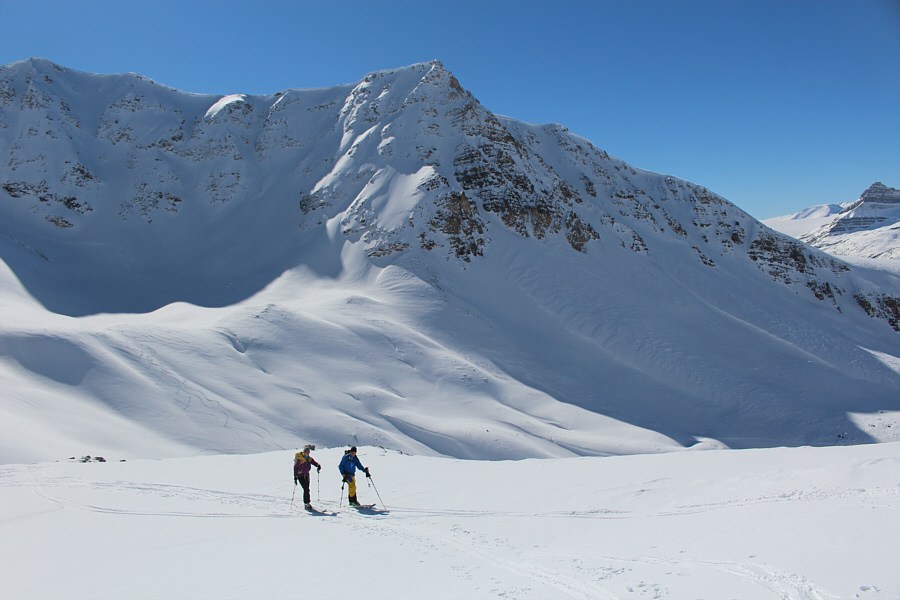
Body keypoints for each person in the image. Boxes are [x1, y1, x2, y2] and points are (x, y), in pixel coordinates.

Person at [294, 444, 321, 510]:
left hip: (306, 475)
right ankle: (307, 503)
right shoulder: (300, 459)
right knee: (306, 488)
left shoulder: (309, 459)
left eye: (308, 452)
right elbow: (295, 468)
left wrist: (318, 465)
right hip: (300, 475)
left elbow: (314, 462)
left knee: (307, 489)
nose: (307, 453)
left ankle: (307, 503)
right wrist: (295, 477)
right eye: (306, 452)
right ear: (304, 452)